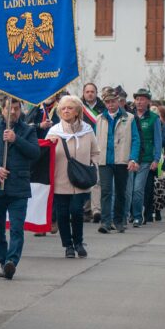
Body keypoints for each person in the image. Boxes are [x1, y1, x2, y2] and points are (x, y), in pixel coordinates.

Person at [0, 97, 40, 277]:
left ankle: (11, 261)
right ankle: (2, 261)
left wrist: (16, 140)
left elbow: (35, 153)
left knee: (16, 228)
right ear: (2, 110)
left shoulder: (28, 130)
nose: (13, 112)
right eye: (10, 108)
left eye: (17, 108)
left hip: (18, 188)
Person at [46, 96, 98, 258]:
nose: (66, 111)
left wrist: (93, 166)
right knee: (62, 214)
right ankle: (68, 245)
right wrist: (50, 145)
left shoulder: (87, 130)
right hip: (60, 179)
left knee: (76, 211)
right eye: (63, 108)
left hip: (80, 178)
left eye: (70, 108)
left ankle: (78, 242)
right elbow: (44, 154)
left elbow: (95, 152)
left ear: (77, 111)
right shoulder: (54, 131)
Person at [95, 87, 140, 234]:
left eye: (113, 101)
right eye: (107, 102)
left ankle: (119, 221)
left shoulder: (129, 117)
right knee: (106, 191)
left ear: (119, 101)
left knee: (121, 191)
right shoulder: (100, 118)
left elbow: (135, 139)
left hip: (122, 159)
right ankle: (105, 222)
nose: (110, 105)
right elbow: (95, 140)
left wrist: (133, 158)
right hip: (105, 160)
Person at [126, 89, 161, 227]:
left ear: (148, 101)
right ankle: (127, 214)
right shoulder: (129, 116)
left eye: (142, 99)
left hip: (146, 159)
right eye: (137, 99)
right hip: (130, 158)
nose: (139, 102)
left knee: (138, 189)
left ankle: (137, 216)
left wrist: (156, 158)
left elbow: (158, 139)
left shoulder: (154, 118)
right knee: (128, 190)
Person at [81, 83, 105, 223]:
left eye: (92, 91)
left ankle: (96, 210)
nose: (90, 94)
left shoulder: (102, 109)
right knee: (83, 178)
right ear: (83, 93)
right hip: (82, 146)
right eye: (87, 91)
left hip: (98, 146)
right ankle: (85, 209)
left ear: (96, 93)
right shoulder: (77, 107)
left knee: (97, 179)